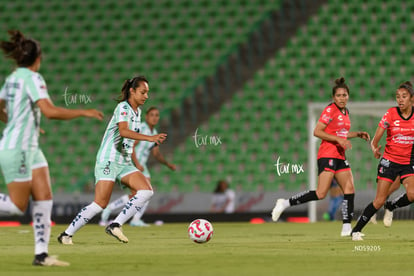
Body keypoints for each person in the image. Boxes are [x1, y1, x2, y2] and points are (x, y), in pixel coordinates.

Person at [0, 30, 103, 266]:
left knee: (44, 197)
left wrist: (22, 124)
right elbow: (49, 111)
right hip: (18, 148)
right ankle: (41, 253)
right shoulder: (33, 78)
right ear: (38, 58)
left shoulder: (13, 78)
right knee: (17, 206)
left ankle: (41, 255)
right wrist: (82, 111)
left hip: (29, 146)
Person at [58, 76, 167, 244]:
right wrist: (149, 138)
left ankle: (115, 224)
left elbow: (128, 138)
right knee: (100, 203)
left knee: (146, 191)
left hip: (124, 162)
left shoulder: (137, 112)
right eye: (143, 92)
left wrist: (135, 151)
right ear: (132, 91)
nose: (146, 96)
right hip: (109, 158)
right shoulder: (122, 107)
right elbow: (123, 132)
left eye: (147, 93)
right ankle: (66, 234)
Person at [271, 77, 370, 236]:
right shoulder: (330, 109)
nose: (342, 98)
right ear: (333, 98)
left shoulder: (346, 112)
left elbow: (341, 133)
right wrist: (338, 139)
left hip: (339, 155)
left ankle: (346, 228)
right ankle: (285, 203)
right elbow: (317, 131)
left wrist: (357, 134)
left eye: (344, 95)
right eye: (338, 96)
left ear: (348, 96)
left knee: (349, 189)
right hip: (327, 154)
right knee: (321, 193)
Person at [351, 81, 414, 240]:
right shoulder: (390, 114)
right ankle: (356, 230)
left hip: (407, 163)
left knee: (412, 194)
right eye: (398, 97)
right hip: (389, 162)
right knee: (379, 201)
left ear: (412, 99)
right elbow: (375, 139)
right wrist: (374, 148)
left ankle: (392, 206)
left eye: (404, 97)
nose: (400, 100)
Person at [99, 106, 176, 227]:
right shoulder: (142, 128)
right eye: (152, 115)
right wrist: (137, 163)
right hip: (134, 163)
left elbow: (156, 153)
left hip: (141, 165)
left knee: (138, 195)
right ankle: (134, 219)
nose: (154, 118)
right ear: (146, 117)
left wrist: (167, 164)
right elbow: (131, 145)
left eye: (157, 115)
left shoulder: (154, 132)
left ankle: (112, 209)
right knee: (145, 192)